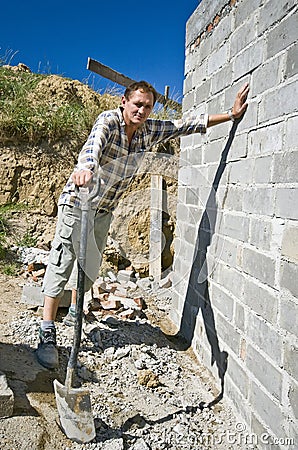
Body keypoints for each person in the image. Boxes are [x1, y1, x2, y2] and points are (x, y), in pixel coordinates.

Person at [36, 80, 249, 369]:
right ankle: (47, 331)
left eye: (147, 106)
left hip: (104, 210)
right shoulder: (108, 121)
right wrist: (85, 168)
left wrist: (231, 115)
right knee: (63, 262)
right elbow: (92, 147)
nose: (142, 110)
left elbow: (186, 124)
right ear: (124, 101)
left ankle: (75, 310)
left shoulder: (149, 131)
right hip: (77, 203)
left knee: (89, 268)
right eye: (137, 104)